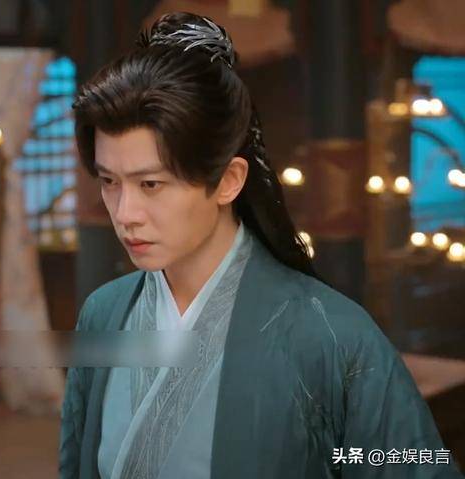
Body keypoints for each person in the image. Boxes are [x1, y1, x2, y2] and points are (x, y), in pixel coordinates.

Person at [59, 11, 463, 479]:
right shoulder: (104, 314)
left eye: (151, 184)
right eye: (109, 182)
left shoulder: (331, 334)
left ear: (228, 180)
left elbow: (413, 463)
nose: (125, 212)